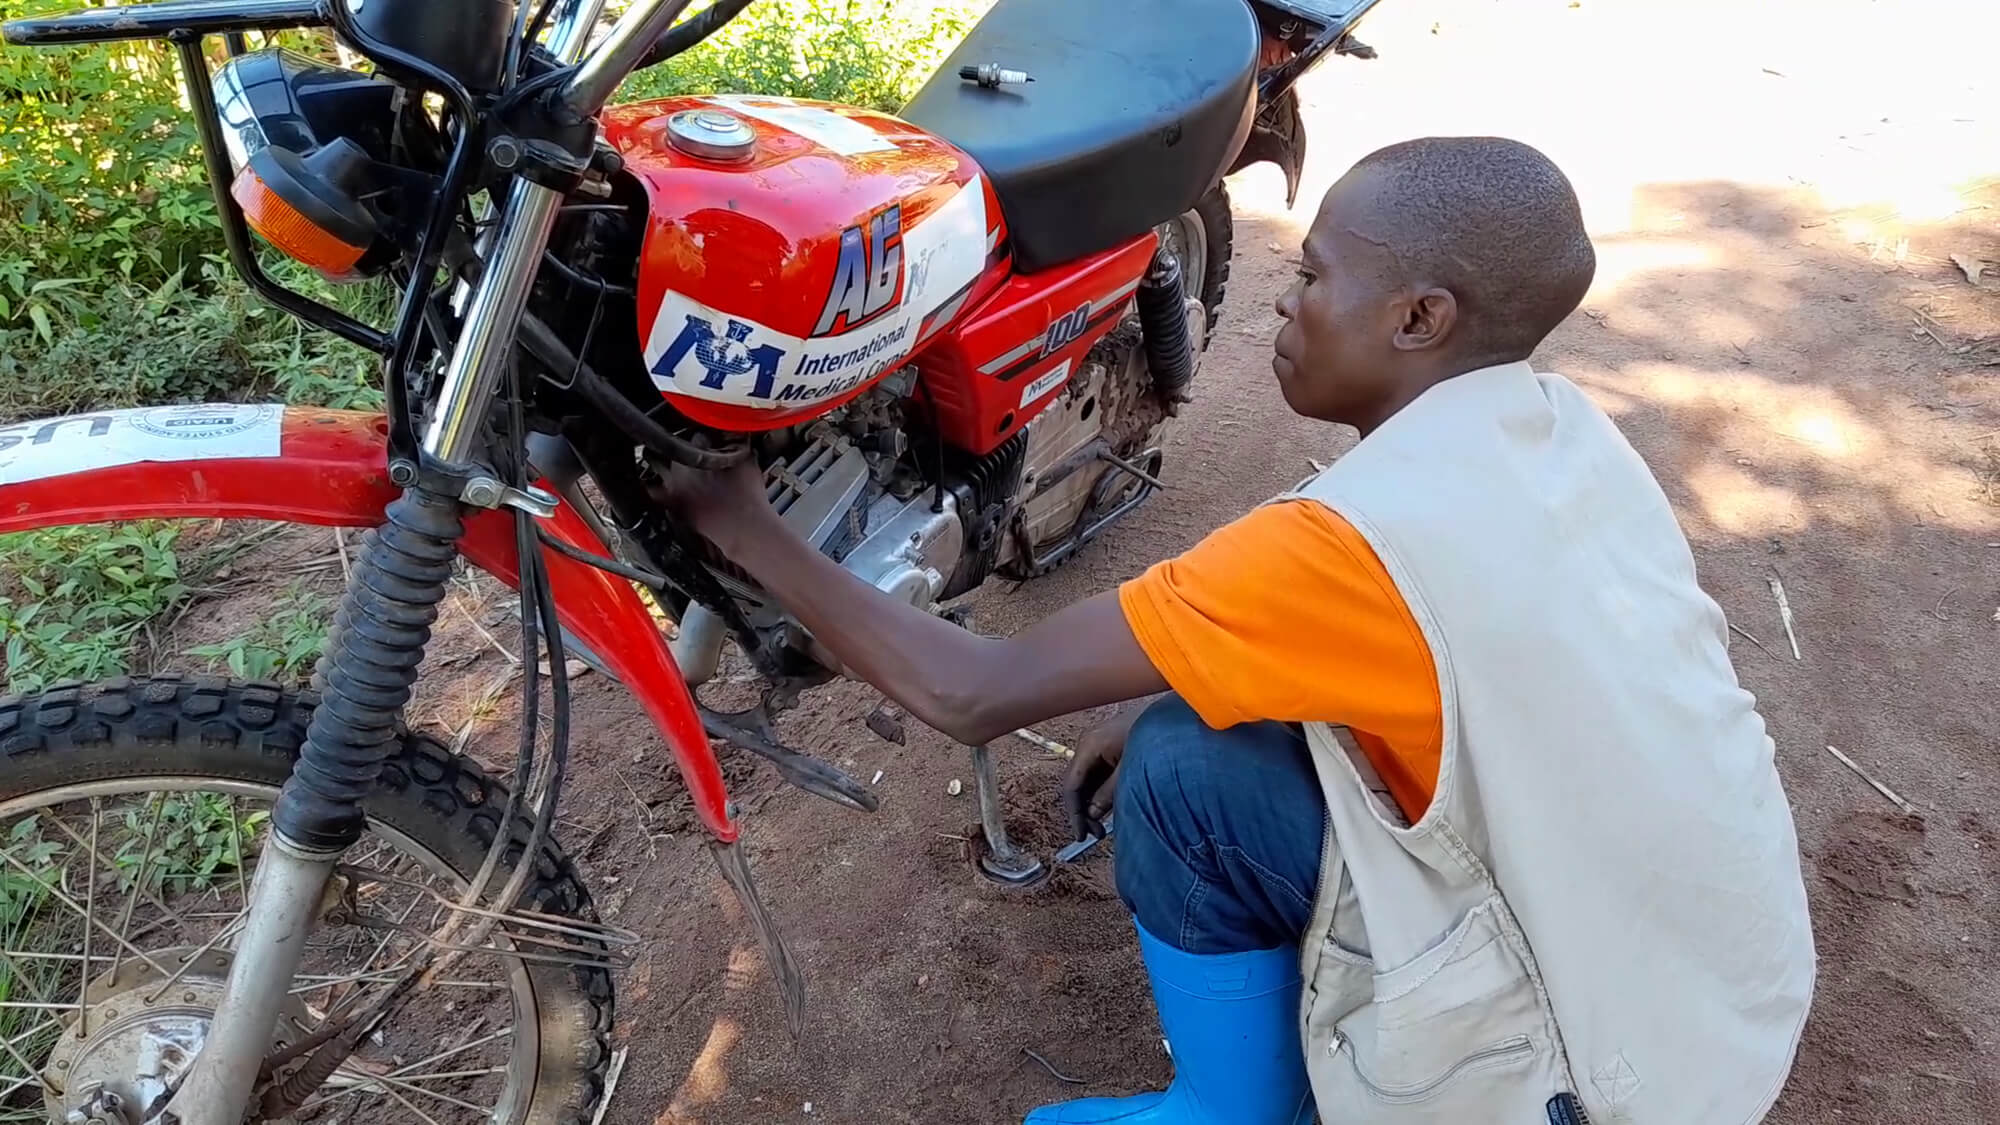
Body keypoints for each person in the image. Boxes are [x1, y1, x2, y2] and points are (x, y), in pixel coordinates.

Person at [668, 137, 1816, 1124]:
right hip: (1722, 992)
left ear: (1419, 317)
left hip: (1601, 1086)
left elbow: (974, 691)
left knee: (1180, 770)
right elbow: (1420, 664)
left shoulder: (1345, 546)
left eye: (1313, 276)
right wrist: (1178, 683)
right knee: (1180, 721)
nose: (1280, 297)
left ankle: (1226, 1111)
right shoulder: (1557, 432)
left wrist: (744, 525)